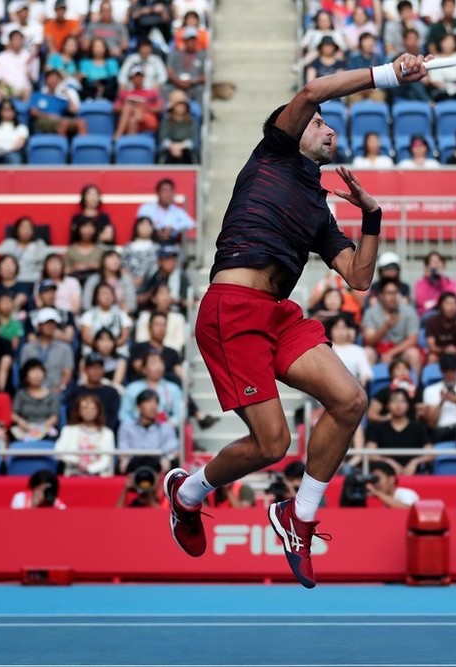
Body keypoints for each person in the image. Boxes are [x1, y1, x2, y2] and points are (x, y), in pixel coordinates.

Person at [160, 53, 429, 590]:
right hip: (231, 309)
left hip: (278, 314)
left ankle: (299, 516)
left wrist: (372, 217)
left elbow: (357, 276)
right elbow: (310, 91)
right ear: (296, 129)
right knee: (271, 444)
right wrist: (388, 74)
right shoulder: (272, 155)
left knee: (350, 400)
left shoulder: (318, 205)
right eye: (321, 123)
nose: (328, 127)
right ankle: (187, 493)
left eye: (328, 124)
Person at [363, 388, 433, 475]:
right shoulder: (377, 428)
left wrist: (414, 462)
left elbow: (430, 454)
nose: (398, 405)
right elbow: (371, 454)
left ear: (408, 405)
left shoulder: (419, 427)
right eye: (394, 401)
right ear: (388, 405)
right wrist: (389, 462)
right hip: (386, 475)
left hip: (414, 475)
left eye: (402, 401)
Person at [362, 276, 422, 372]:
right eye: (389, 293)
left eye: (395, 293)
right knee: (367, 352)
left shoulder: (409, 311)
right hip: (377, 352)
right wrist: (386, 326)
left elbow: (413, 340)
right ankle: (364, 387)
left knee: (413, 353)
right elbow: (369, 341)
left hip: (401, 351)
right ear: (381, 296)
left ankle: (415, 386)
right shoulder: (371, 313)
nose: (393, 297)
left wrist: (391, 353)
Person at [118, 389, 179, 474]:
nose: (153, 406)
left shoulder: (166, 427)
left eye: (156, 403)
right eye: (148, 402)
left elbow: (172, 448)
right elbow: (123, 448)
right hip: (134, 466)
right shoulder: (126, 426)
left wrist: (166, 458)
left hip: (157, 466)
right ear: (138, 407)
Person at [56, 393, 116, 476]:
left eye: (93, 408)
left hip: (98, 476)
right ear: (78, 411)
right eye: (85, 408)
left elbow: (106, 460)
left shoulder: (107, 433)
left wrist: (89, 469)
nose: (89, 411)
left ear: (98, 411)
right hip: (73, 474)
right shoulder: (68, 430)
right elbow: (59, 452)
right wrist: (77, 462)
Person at [19, 308, 75, 394]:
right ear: (39, 326)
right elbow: (24, 373)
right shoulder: (27, 349)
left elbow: (67, 373)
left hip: (57, 393)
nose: (50, 326)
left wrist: (59, 389)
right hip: (31, 394)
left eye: (53, 323)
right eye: (46, 323)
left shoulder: (65, 349)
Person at [67, 352, 121, 433]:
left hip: (103, 433)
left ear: (104, 370)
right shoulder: (76, 392)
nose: (96, 371)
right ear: (85, 370)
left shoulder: (112, 392)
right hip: (79, 433)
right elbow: (72, 415)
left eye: (99, 368)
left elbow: (113, 418)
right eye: (92, 368)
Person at [11, 359, 61, 442]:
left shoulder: (52, 395)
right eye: (33, 371)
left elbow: (54, 418)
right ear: (26, 375)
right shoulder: (20, 394)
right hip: (25, 429)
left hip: (45, 430)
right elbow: (13, 414)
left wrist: (40, 429)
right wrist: (21, 422)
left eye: (40, 370)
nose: (37, 374)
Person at [136, 178, 196, 243]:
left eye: (170, 191)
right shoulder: (147, 209)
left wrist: (172, 228)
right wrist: (156, 232)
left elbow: (190, 223)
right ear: (158, 193)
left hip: (171, 246)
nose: (168, 194)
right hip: (150, 245)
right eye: (165, 191)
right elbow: (140, 226)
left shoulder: (177, 211)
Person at [424, 292, 456, 367]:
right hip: (438, 353)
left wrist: (454, 350)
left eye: (455, 304)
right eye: (448, 304)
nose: (452, 307)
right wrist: (444, 350)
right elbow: (431, 346)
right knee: (432, 358)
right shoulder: (431, 322)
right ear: (440, 306)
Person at [2, 217, 49, 286]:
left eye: (29, 228)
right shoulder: (8, 244)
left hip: (34, 281)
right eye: (23, 228)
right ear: (17, 229)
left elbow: (44, 265)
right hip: (13, 282)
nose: (26, 230)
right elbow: (3, 265)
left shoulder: (39, 244)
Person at [414, 251, 456, 315]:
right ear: (427, 266)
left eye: (438, 262)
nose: (435, 265)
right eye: (432, 262)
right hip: (427, 313)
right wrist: (427, 280)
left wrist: (441, 279)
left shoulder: (450, 282)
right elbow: (421, 302)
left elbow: (451, 299)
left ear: (443, 265)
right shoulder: (421, 283)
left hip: (447, 313)